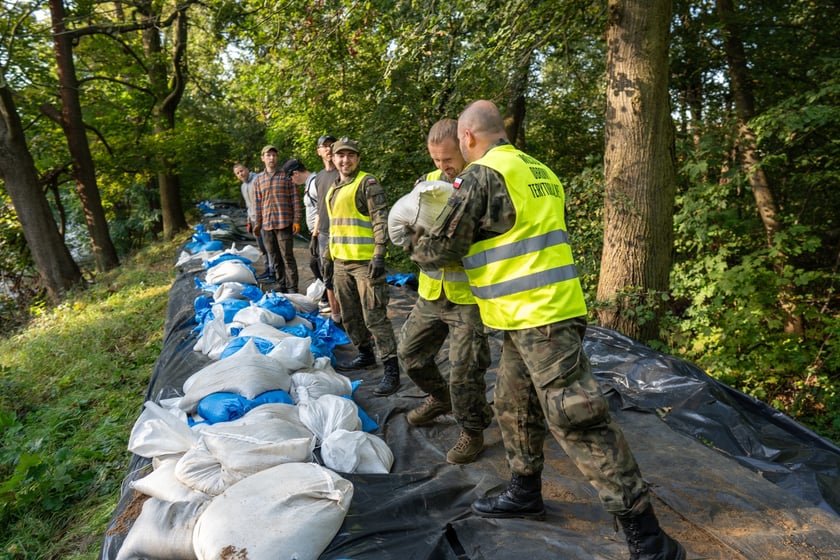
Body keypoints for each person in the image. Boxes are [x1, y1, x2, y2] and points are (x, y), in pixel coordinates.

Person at [411, 100, 685, 560]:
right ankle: (524, 491)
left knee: (577, 416)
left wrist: (415, 230)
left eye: (459, 143)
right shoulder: (537, 169)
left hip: (541, 317)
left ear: (468, 138)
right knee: (514, 405)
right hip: (530, 314)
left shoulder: (482, 175)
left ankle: (647, 534)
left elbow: (439, 249)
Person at [396, 118, 493, 465]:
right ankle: (441, 398)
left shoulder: (481, 182)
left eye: (447, 159)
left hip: (468, 297)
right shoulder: (428, 183)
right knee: (410, 355)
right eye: (436, 160)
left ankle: (473, 428)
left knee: (465, 372)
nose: (442, 166)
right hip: (431, 292)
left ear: (465, 146)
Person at [325, 137, 400, 396]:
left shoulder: (367, 184)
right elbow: (336, 227)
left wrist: (380, 252)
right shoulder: (333, 189)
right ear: (333, 159)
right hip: (341, 263)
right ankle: (365, 354)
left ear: (357, 159)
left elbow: (380, 219)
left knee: (374, 317)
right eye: (340, 155)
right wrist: (327, 258)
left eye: (350, 156)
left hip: (365, 264)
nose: (345, 160)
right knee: (350, 316)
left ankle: (391, 370)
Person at [252, 145, 301, 293]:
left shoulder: (286, 176)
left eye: (274, 155)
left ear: (277, 158)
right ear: (263, 158)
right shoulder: (258, 180)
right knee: (274, 257)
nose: (271, 158)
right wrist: (257, 223)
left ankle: (293, 287)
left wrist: (297, 220)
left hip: (284, 223)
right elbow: (258, 204)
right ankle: (282, 284)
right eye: (268, 155)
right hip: (267, 225)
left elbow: (295, 199)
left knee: (287, 257)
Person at [312, 135, 342, 323]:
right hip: (323, 233)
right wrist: (314, 234)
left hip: (342, 232)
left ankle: (351, 316)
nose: (329, 149)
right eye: (325, 146)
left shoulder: (343, 174)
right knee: (327, 275)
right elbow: (319, 208)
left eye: (332, 145)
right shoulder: (319, 177)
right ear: (319, 151)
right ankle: (335, 315)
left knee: (345, 278)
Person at [283, 157, 324, 292]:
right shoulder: (309, 184)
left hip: (320, 233)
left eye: (291, 178)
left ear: (295, 173)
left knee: (319, 265)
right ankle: (325, 295)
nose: (293, 182)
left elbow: (321, 209)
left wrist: (315, 234)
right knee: (316, 265)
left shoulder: (314, 183)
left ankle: (327, 297)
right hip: (316, 232)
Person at [233, 162, 272, 279]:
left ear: (247, 169)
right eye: (238, 173)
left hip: (264, 218)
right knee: (262, 247)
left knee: (269, 246)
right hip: (254, 219)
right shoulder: (243, 186)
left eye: (242, 170)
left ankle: (274, 271)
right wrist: (249, 221)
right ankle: (268, 269)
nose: (241, 174)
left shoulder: (258, 179)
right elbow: (249, 206)